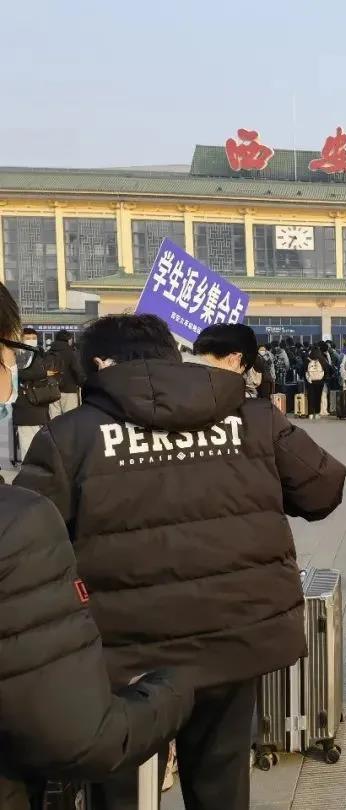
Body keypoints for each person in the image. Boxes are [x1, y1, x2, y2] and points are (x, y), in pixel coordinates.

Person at [14, 313, 346, 810]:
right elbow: (323, 489)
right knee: (221, 780)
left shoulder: (70, 436)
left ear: (100, 365)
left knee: (121, 789)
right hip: (234, 634)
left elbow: (25, 549)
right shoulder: (253, 416)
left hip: (124, 654)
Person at [1, 284, 192, 810]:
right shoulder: (247, 420)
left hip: (103, 638)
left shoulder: (68, 436)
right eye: (14, 351)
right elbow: (80, 737)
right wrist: (173, 691)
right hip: (198, 648)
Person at [10, 327, 52, 464]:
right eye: (28, 338)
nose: (31, 340)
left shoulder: (40, 353)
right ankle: (28, 469)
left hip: (40, 402)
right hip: (25, 404)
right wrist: (43, 374)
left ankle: (36, 468)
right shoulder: (17, 355)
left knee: (39, 442)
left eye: (34, 338)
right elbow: (18, 373)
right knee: (27, 443)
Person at [46, 329, 85, 416]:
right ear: (69, 339)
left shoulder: (48, 353)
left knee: (54, 418)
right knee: (69, 417)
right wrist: (82, 384)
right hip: (69, 390)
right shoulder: (71, 353)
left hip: (52, 390)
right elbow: (77, 371)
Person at [306, 348, 327, 419]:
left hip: (310, 381)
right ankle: (317, 413)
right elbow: (327, 370)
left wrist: (307, 379)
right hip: (320, 381)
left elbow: (303, 369)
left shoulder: (308, 360)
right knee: (318, 397)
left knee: (311, 397)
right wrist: (324, 379)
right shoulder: (322, 360)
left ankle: (310, 413)